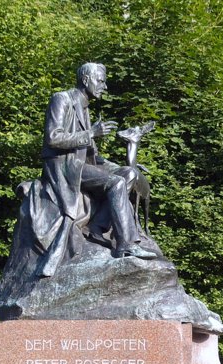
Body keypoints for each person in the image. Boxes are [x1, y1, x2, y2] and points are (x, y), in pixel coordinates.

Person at [35, 62, 156, 277]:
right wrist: (91, 133)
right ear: (86, 80)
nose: (105, 86)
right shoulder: (62, 99)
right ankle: (125, 244)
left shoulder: (85, 107)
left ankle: (97, 226)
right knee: (116, 183)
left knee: (128, 174)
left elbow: (93, 156)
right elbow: (53, 138)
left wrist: (116, 166)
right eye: (101, 81)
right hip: (64, 167)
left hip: (82, 165)